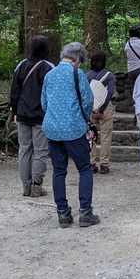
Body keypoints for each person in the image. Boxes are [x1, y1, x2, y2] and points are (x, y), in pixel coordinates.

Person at [40, 42, 100, 228]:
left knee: (59, 170)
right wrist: (84, 118)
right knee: (84, 168)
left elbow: (44, 103)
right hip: (73, 128)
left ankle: (63, 213)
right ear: (78, 58)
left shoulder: (49, 75)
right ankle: (85, 212)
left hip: (52, 129)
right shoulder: (77, 74)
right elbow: (88, 100)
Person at [9, 35, 54, 197]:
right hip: (42, 116)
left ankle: (26, 186)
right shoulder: (49, 67)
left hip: (22, 114)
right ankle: (37, 185)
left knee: (24, 150)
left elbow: (14, 91)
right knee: (41, 151)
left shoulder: (21, 65)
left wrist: (14, 111)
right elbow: (53, 94)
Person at [86, 51, 116, 175]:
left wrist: (92, 109)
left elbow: (85, 93)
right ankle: (104, 164)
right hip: (105, 109)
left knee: (91, 136)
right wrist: (102, 108)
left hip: (90, 109)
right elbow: (110, 93)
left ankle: (91, 163)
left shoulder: (86, 75)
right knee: (105, 137)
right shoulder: (109, 76)